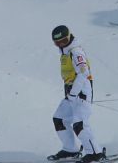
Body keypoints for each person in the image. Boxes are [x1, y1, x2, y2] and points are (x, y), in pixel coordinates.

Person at [47, 25, 104, 163]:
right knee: (59, 119)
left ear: (69, 37)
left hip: (81, 93)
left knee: (80, 124)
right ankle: (70, 149)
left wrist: (74, 93)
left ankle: (96, 154)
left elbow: (84, 73)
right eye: (57, 43)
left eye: (63, 41)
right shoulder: (65, 53)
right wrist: (70, 93)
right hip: (71, 94)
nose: (60, 44)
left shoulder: (76, 52)